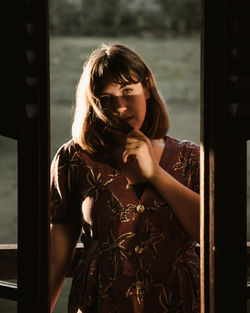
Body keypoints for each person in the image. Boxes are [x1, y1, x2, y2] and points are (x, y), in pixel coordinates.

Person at [50, 43, 200, 313]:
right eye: (105, 98)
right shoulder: (74, 159)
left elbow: (211, 230)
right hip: (100, 304)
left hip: (180, 303)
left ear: (147, 88)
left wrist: (154, 172)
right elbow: (57, 255)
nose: (119, 107)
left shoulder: (190, 158)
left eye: (128, 91)